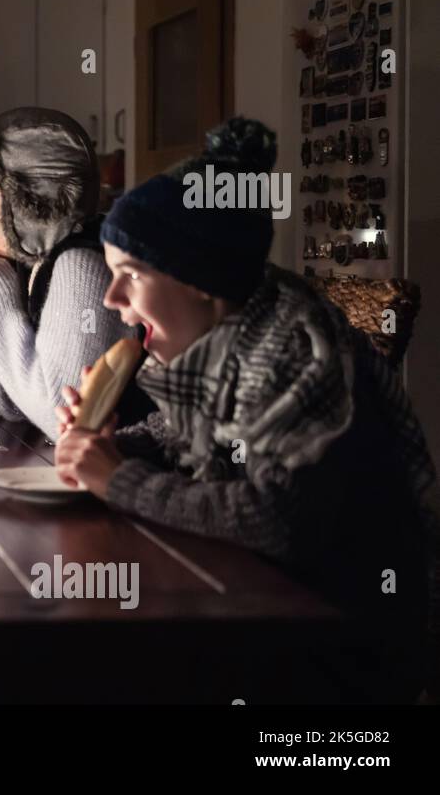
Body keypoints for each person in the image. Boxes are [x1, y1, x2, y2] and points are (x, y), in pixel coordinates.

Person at [55, 117, 439, 702]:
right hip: (260, 609)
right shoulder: (231, 330)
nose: (112, 300)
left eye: (130, 275)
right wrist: (114, 443)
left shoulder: (289, 351)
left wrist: (120, 481)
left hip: (341, 652)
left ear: (200, 282)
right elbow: (191, 434)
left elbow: (276, 516)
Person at [0, 107, 152, 439]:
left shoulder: (81, 264)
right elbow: (7, 403)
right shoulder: (35, 263)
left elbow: (62, 422)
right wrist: (0, 305)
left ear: (32, 200)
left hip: (118, 476)